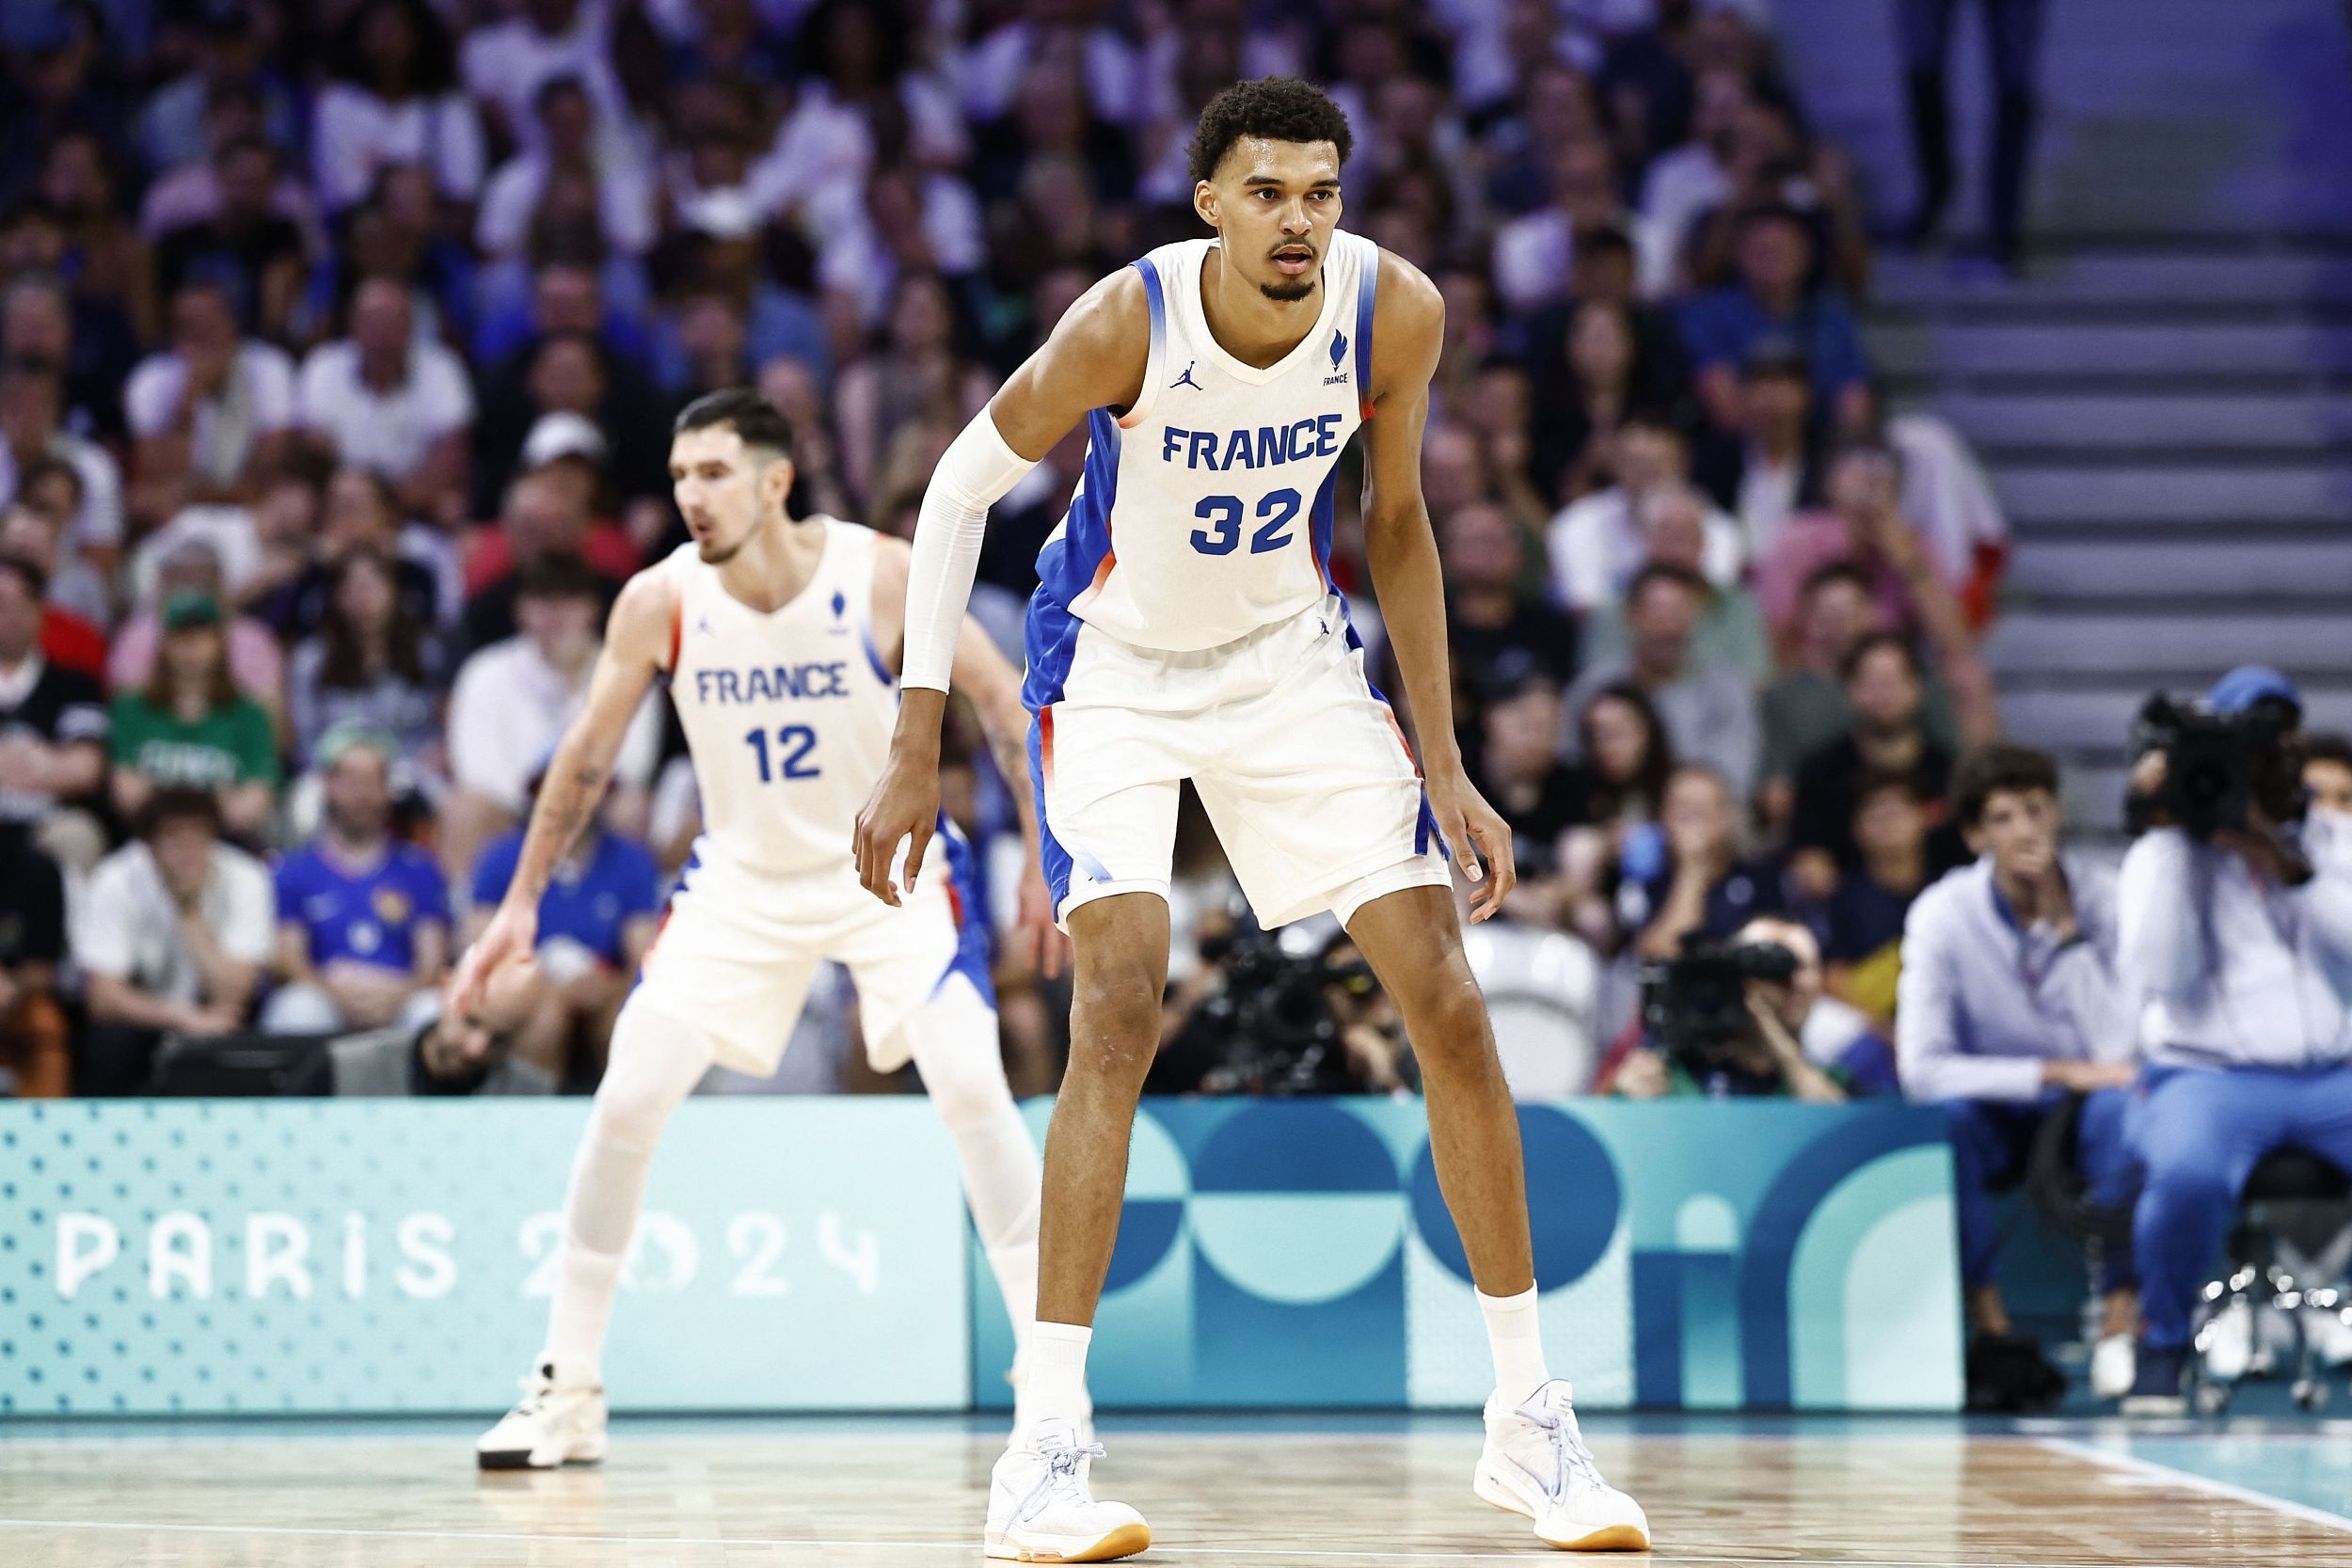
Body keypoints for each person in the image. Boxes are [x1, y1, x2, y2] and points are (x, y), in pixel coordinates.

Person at [855, 78, 1648, 1560]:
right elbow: (960, 491)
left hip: (1288, 656)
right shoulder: (1125, 319)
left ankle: (1530, 1420)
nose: (1300, 218)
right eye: (1270, 191)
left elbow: (1398, 527)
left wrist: (1446, 757)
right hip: (1113, 669)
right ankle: (1045, 1447)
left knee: (1450, 999)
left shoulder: (1393, 310)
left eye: (1323, 191)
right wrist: (915, 739)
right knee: (1120, 1004)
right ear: (1209, 201)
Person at [448, 389, 1059, 1474]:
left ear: (776, 481)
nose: (691, 494)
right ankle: (566, 1389)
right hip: (740, 874)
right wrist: (518, 902)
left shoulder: (878, 572)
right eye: (681, 475)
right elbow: (585, 756)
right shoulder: (659, 598)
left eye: (715, 472)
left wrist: (1045, 865)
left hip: (892, 868)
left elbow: (1005, 707)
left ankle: (1051, 1389)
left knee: (970, 1081)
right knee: (627, 1096)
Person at [2113, 666, 2352, 1414]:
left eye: (2276, 739)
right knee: (2184, 1174)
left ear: (2296, 744)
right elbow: (2161, 970)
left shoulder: (2337, 835)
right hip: (2208, 1077)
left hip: (2333, 1073)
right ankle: (2162, 1342)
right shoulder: (2165, 852)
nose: (2265, 759)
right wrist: (2191, 842)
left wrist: (2289, 868)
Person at [1896, 742, 2139, 1400]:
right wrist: (2051, 1072)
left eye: (2035, 809)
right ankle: (1992, 1329)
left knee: (2127, 1109)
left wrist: (2065, 927)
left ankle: (2120, 1318)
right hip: (2001, 1105)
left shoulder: (2109, 897)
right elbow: (1922, 1068)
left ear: (2057, 814)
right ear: (1975, 835)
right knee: (1943, 1123)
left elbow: (2120, 1050)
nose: (2025, 830)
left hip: (2092, 1108)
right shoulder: (1941, 914)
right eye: (2003, 817)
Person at [72, 787, 275, 1094]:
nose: (187, 851)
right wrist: (182, 1018)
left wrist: (189, 911)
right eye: (173, 838)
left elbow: (234, 996)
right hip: (144, 1016)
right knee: (109, 1043)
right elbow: (102, 998)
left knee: (240, 1037)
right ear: (148, 844)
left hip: (216, 1016)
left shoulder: (244, 877)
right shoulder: (115, 879)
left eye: (199, 837)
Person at [263, 725, 450, 1037]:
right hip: (324, 993)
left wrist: (399, 993)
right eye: (349, 780)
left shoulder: (420, 868)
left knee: (432, 1011)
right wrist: (334, 992)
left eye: (372, 781)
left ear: (387, 788)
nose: (361, 794)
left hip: (399, 994)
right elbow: (286, 959)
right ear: (327, 784)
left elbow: (432, 962)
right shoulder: (293, 870)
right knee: (299, 1009)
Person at [108, 587, 280, 842]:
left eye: (201, 637)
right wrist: (216, 799)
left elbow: (254, 804)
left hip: (225, 846)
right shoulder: (131, 708)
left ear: (220, 642)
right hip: (147, 843)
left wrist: (161, 794)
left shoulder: (249, 714)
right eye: (181, 637)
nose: (190, 648)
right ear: (164, 644)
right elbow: (127, 795)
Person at [0, 552, 106, 846]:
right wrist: (45, 761)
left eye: (14, 605)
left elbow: (86, 769)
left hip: (48, 822)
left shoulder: (74, 685)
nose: (7, 617)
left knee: (78, 836)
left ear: (37, 611)